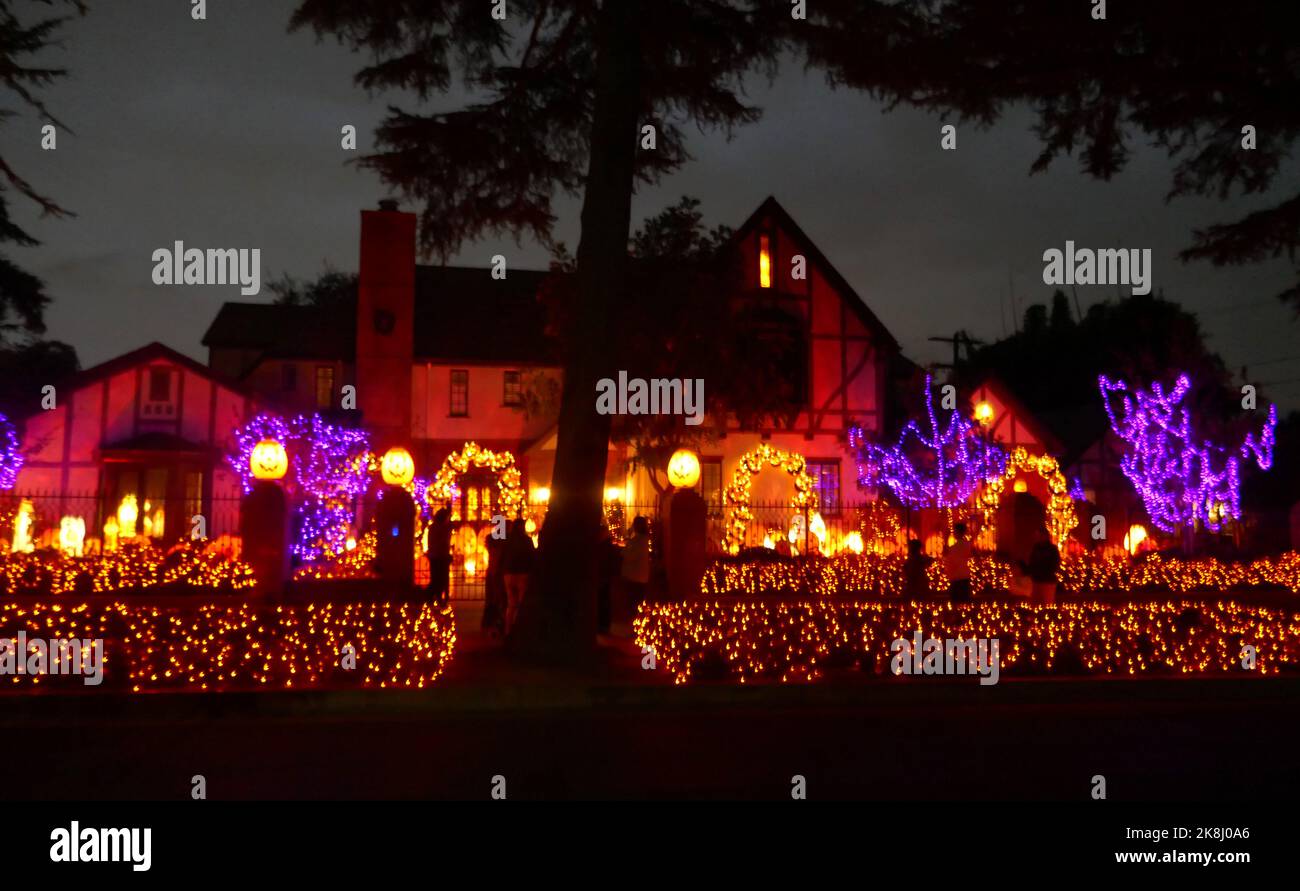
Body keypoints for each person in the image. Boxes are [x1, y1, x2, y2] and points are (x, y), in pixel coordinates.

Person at [502, 518, 535, 636]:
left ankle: (508, 629)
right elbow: (532, 556)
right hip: (522, 573)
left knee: (511, 603)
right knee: (522, 602)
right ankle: (521, 629)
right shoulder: (527, 540)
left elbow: (502, 555)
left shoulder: (507, 540)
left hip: (508, 573)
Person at [621, 515, 651, 615]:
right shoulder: (642, 539)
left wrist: (624, 550)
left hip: (635, 576)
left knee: (634, 601)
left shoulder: (639, 540)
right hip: (639, 576)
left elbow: (630, 555)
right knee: (637, 600)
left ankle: (636, 619)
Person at [482, 523, 507, 638]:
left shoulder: (490, 539)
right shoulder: (503, 542)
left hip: (492, 571)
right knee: (499, 599)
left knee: (491, 599)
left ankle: (488, 624)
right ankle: (496, 625)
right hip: (498, 572)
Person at [1026, 528, 1061, 605]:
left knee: (1047, 603)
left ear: (1045, 536)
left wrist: (1043, 570)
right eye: (1037, 536)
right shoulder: (1036, 548)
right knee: (1035, 603)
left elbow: (1054, 564)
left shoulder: (1052, 549)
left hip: (1047, 581)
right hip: (1036, 580)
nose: (1037, 538)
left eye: (1039, 535)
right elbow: (1032, 562)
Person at [425, 508, 452, 604]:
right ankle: (433, 597)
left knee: (437, 578)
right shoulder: (442, 528)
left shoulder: (433, 527)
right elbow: (442, 542)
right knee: (440, 578)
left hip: (435, 556)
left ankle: (435, 597)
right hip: (440, 556)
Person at [596, 523, 619, 634]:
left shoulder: (605, 547)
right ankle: (602, 624)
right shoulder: (604, 546)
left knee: (603, 601)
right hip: (602, 578)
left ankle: (603, 625)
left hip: (603, 578)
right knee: (602, 601)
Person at [943, 521, 973, 602]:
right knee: (964, 601)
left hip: (957, 576)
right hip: (965, 575)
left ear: (959, 532)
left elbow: (945, 553)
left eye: (955, 531)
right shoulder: (967, 544)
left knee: (956, 601)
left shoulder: (957, 547)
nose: (954, 534)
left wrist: (945, 538)